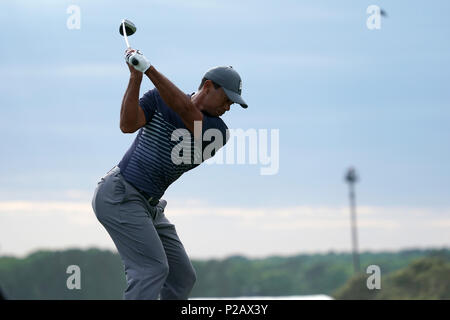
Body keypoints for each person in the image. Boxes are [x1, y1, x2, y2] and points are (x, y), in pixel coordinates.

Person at [91, 48, 248, 300]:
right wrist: (136, 77)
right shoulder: (158, 98)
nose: (228, 108)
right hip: (119, 194)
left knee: (182, 277)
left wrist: (149, 69)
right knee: (151, 269)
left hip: (148, 206)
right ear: (208, 86)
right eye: (227, 99)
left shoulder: (217, 132)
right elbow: (127, 124)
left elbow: (186, 111)